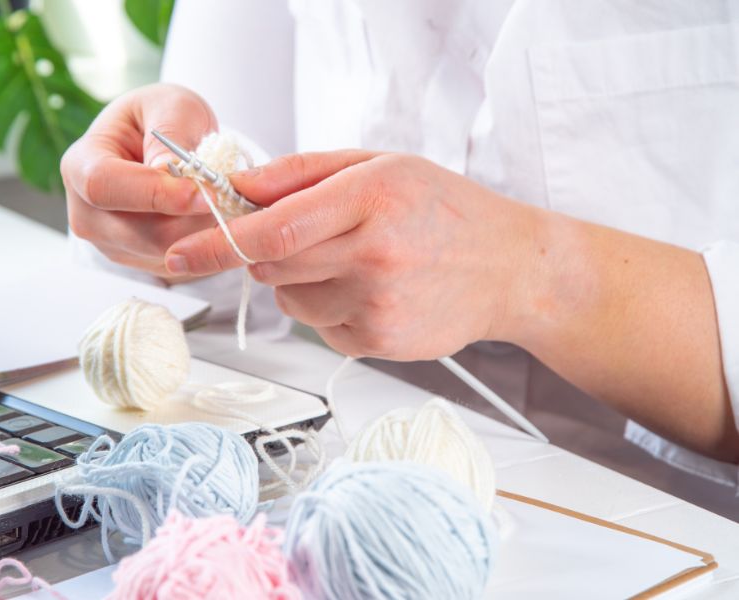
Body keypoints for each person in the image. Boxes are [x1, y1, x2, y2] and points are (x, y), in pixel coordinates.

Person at [62, 2, 739, 514]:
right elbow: (210, 202)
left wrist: (525, 273)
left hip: (682, 530)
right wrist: (151, 209)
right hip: (350, 495)